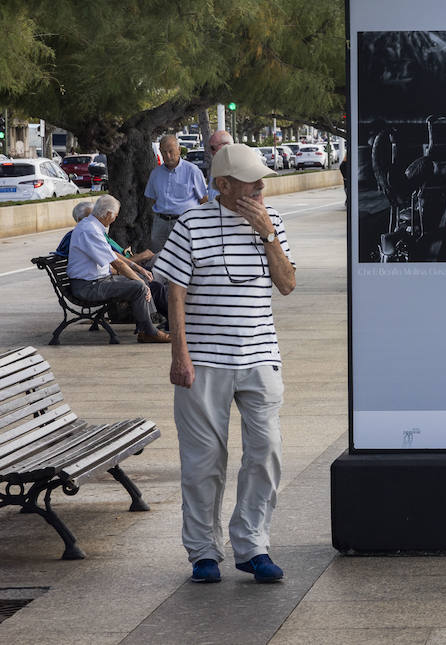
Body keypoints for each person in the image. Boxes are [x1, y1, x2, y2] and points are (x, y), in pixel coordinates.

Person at [155, 143, 296, 584]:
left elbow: (287, 284)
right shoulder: (191, 223)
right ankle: (203, 552)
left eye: (261, 181)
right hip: (204, 361)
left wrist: (268, 235)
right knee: (203, 462)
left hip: (259, 357)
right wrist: (180, 353)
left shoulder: (273, 223)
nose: (260, 187)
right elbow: (173, 292)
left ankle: (252, 544)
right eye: (251, 182)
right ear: (223, 185)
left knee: (266, 451)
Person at [67, 195, 169, 343]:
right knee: (139, 287)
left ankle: (146, 329)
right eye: (115, 215)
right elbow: (117, 263)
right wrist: (139, 280)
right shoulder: (90, 230)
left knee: (147, 281)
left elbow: (112, 253)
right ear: (108, 214)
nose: (115, 218)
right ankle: (149, 332)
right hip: (88, 286)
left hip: (98, 280)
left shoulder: (92, 226)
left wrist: (138, 269)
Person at [144, 134, 209, 252]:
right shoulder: (155, 174)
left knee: (184, 256)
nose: (168, 156)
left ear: (179, 150)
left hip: (184, 222)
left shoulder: (192, 171)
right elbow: (152, 199)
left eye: (171, 151)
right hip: (161, 223)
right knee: (158, 257)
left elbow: (204, 200)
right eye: (164, 152)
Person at [204, 130, 233, 202]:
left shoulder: (240, 167)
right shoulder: (216, 166)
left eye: (213, 148)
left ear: (226, 145)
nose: (211, 152)